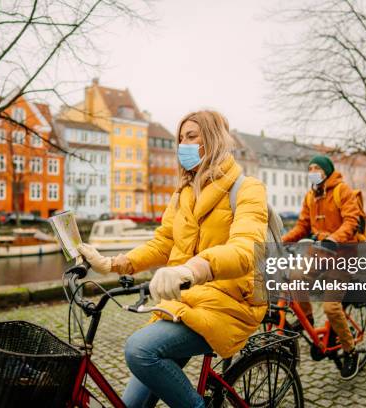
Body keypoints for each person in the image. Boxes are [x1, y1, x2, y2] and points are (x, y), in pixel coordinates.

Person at [78, 110, 268, 408]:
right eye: (181, 139)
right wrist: (111, 263)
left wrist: (193, 269)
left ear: (214, 139)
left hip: (229, 304)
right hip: (184, 305)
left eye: (192, 136)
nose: (184, 145)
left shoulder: (248, 188)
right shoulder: (182, 194)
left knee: (140, 349)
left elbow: (246, 249)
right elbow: (162, 243)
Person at [282, 154, 364, 380]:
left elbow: (351, 221)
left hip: (342, 254)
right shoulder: (310, 195)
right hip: (318, 252)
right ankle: (307, 319)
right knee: (295, 275)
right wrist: (282, 241)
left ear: (327, 170)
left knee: (331, 307)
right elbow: (302, 226)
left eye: (317, 167)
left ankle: (350, 350)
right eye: (310, 168)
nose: (313, 171)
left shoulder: (342, 190)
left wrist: (335, 238)